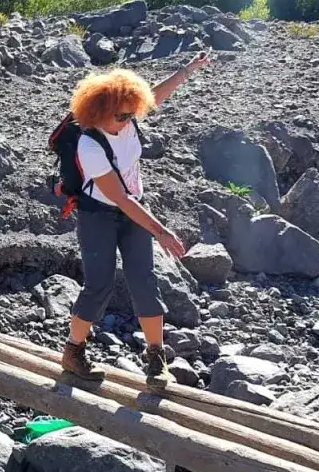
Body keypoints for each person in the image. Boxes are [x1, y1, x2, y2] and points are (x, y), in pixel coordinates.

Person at [60, 54, 211, 389]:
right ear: (99, 114)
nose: (129, 120)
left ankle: (155, 358)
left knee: (144, 280)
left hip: (134, 210)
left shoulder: (127, 118)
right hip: (99, 214)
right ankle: (73, 353)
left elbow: (156, 95)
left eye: (132, 113)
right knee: (99, 285)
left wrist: (186, 70)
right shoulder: (89, 144)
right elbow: (120, 199)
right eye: (122, 116)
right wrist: (161, 231)